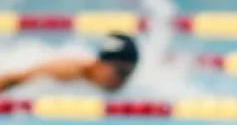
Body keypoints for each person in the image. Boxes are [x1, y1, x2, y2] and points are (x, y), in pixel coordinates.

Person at [0, 32, 140, 94]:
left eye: (129, 72)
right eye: (120, 72)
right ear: (100, 63)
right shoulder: (69, 69)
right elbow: (14, 78)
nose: (123, 79)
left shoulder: (103, 84)